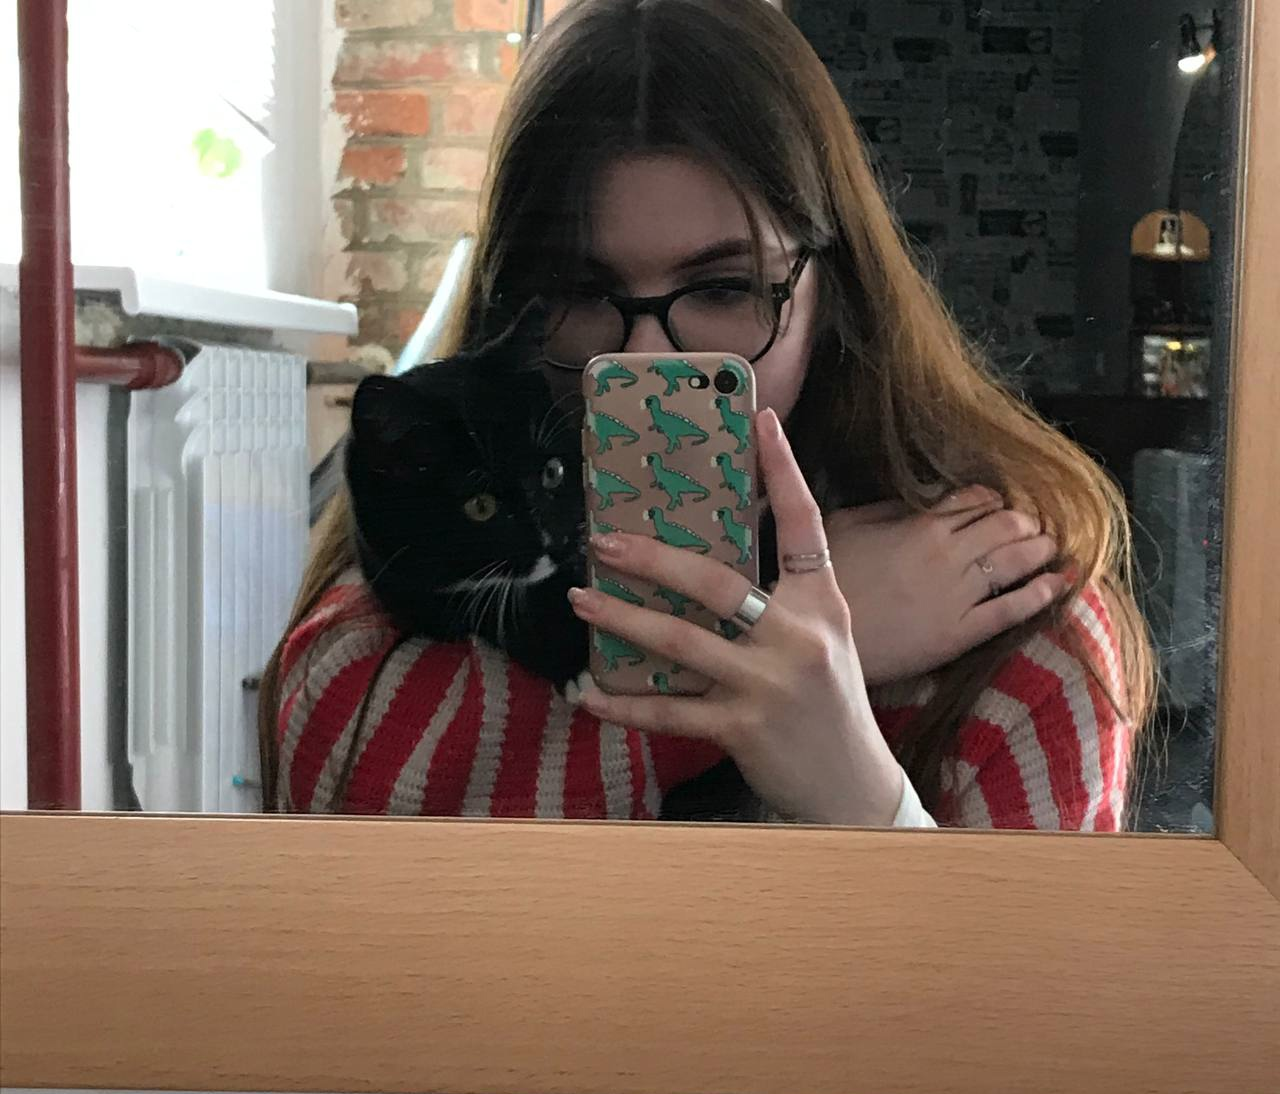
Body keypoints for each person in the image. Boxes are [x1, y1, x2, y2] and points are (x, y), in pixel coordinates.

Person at [259, 0, 1153, 829]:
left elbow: (1022, 957)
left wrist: (863, 790)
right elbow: (346, 743)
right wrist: (753, 654)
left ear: (834, 292)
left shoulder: (1007, 615)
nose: (650, 359)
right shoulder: (432, 559)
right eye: (582, 290)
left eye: (725, 287)